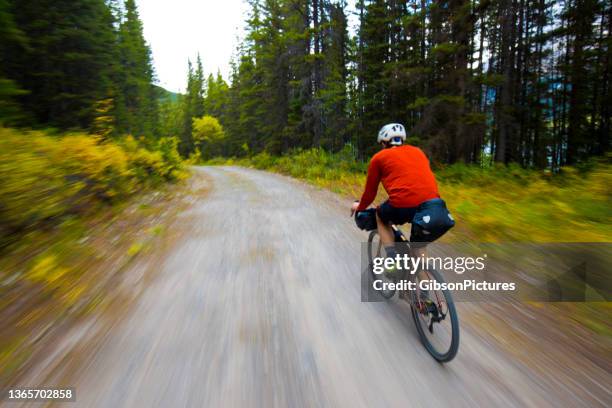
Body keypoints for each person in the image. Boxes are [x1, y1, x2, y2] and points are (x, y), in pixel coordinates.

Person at [351, 123, 454, 276]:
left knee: (380, 216)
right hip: (434, 206)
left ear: (384, 142)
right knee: (418, 248)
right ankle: (424, 296)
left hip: (402, 203)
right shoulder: (418, 152)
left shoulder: (379, 157)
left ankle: (393, 261)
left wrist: (359, 206)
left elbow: (370, 193)